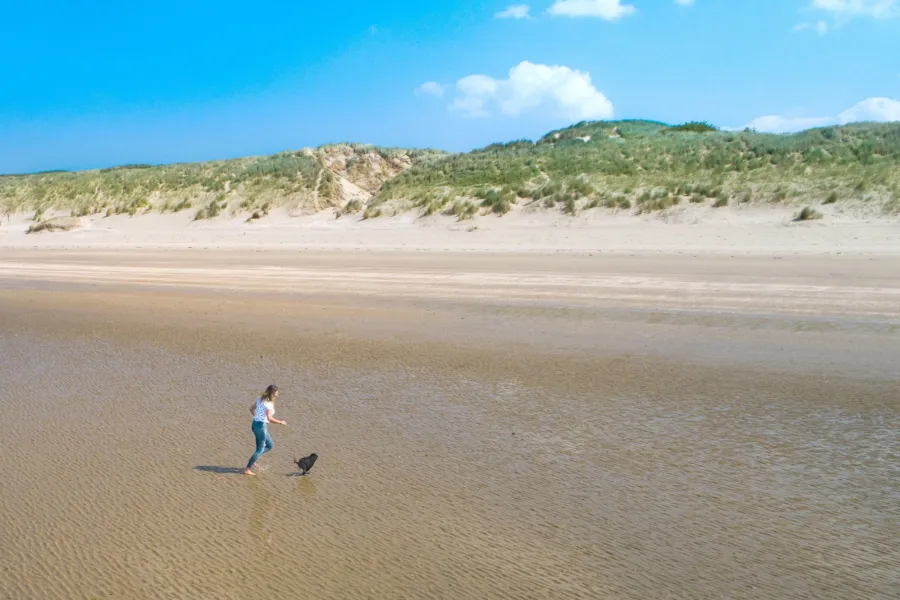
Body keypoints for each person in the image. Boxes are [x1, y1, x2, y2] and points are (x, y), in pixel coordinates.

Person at [243, 385, 287, 475]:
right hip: (261, 427)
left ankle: (253, 458)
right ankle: (247, 469)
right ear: (273, 393)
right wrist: (280, 422)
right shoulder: (269, 404)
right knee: (259, 449)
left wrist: (257, 418)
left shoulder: (260, 399)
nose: (278, 394)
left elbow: (251, 409)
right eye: (277, 392)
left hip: (255, 424)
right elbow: (270, 418)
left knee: (270, 445)